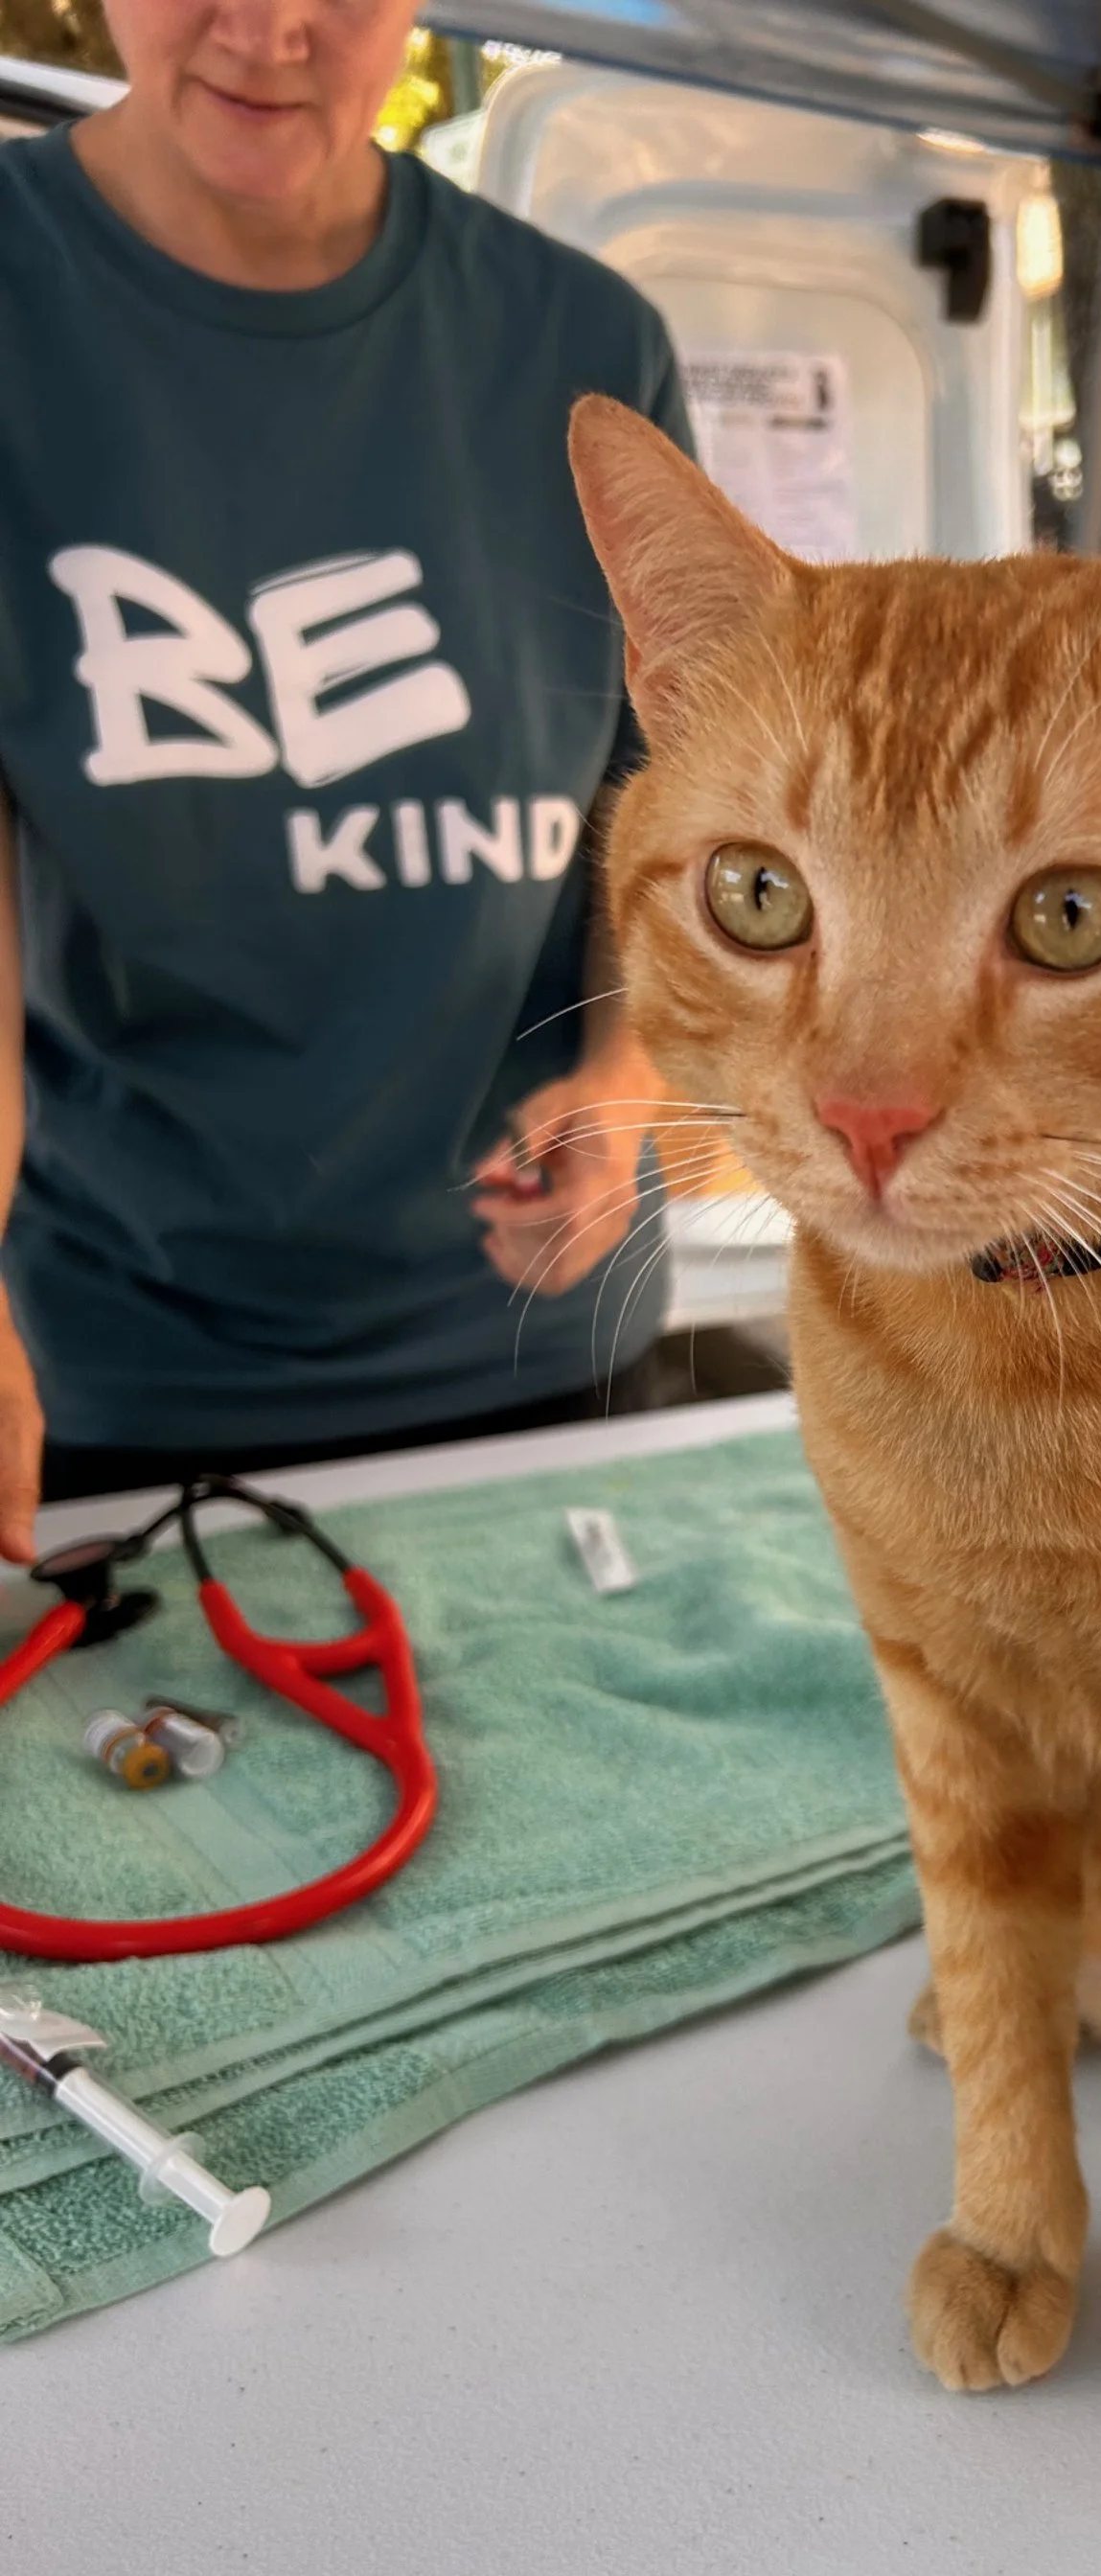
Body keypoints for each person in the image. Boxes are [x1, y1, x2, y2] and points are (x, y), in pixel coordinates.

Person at [0, 0, 699, 1559]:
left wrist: (626, 1087)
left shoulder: (586, 345)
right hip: (122, 1359)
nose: (269, 27)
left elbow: (670, 806)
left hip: (546, 1333)